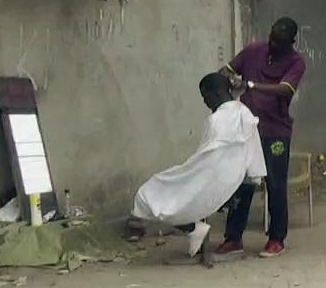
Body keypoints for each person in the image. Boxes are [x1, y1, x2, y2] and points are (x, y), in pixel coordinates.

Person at [126, 73, 267, 264]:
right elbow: (253, 152)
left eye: (205, 96)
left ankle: (193, 228)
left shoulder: (216, 120)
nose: (204, 101)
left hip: (213, 180)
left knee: (148, 194)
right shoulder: (244, 113)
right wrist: (254, 177)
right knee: (171, 189)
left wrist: (186, 171)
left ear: (216, 93)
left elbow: (204, 158)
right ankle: (195, 230)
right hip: (235, 179)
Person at [216, 17, 307, 258]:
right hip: (246, 129)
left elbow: (285, 89)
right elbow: (228, 69)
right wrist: (227, 78)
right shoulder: (254, 50)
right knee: (242, 181)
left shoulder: (296, 62)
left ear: (291, 42)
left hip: (275, 131)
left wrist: (252, 85)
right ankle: (233, 238)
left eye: (280, 41)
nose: (273, 43)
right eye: (272, 37)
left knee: (275, 183)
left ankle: (277, 238)